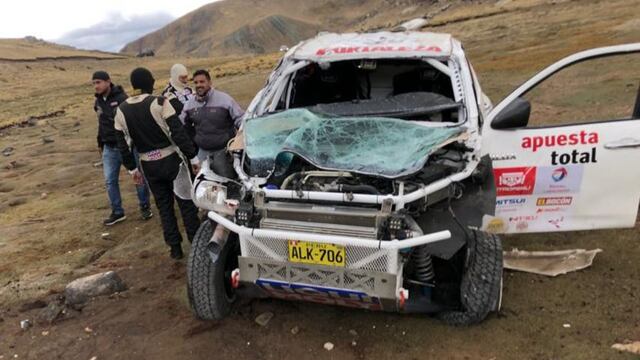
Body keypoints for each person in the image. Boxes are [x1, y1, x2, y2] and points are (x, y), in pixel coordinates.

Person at [113, 67, 201, 260]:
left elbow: (122, 144)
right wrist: (193, 157)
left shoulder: (121, 110)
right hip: (171, 161)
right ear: (149, 82)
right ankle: (196, 246)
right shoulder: (160, 102)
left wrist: (132, 169)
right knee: (186, 204)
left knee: (164, 207)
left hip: (148, 165)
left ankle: (175, 249)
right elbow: (178, 132)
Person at [92, 70, 152, 226]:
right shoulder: (98, 102)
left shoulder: (122, 99)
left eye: (98, 82)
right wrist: (101, 143)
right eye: (94, 83)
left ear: (108, 81)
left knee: (138, 177)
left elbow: (131, 121)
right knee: (110, 181)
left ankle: (145, 206)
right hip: (109, 148)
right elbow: (101, 124)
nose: (96, 86)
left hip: (127, 146)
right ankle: (117, 212)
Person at [181, 69, 244, 177]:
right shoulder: (189, 104)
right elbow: (180, 124)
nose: (199, 85)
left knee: (227, 183)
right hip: (202, 152)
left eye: (202, 82)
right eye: (196, 82)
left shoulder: (225, 99)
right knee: (202, 184)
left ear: (210, 82)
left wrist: (241, 137)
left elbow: (240, 119)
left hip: (224, 152)